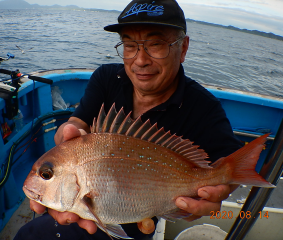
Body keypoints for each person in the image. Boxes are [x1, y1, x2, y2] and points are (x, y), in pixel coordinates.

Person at [15, 0, 243, 239]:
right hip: (82, 209)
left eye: (156, 45)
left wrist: (218, 190)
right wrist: (68, 132)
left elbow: (230, 168)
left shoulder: (204, 108)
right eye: (130, 45)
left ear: (183, 48)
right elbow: (78, 124)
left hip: (140, 219)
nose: (140, 60)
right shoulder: (106, 77)